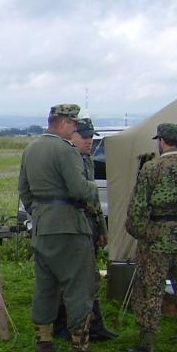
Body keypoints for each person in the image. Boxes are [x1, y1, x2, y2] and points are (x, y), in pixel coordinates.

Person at [18, 103, 105, 352]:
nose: (76, 128)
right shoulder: (66, 150)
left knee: (46, 286)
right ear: (64, 123)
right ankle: (81, 347)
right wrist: (93, 188)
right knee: (79, 285)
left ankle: (44, 342)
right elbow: (78, 189)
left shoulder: (31, 149)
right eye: (74, 123)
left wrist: (40, 213)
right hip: (70, 227)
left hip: (43, 226)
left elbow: (24, 190)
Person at [125, 123, 177, 352]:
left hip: (157, 238)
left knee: (150, 289)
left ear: (161, 141)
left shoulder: (151, 168)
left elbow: (138, 208)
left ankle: (147, 345)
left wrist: (141, 233)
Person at [53, 117, 117, 340]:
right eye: (84, 136)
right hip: (71, 226)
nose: (89, 141)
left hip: (88, 225)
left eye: (91, 137)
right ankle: (63, 324)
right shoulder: (65, 159)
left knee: (90, 277)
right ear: (72, 135)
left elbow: (94, 200)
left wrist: (102, 229)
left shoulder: (87, 160)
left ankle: (94, 324)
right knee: (69, 278)